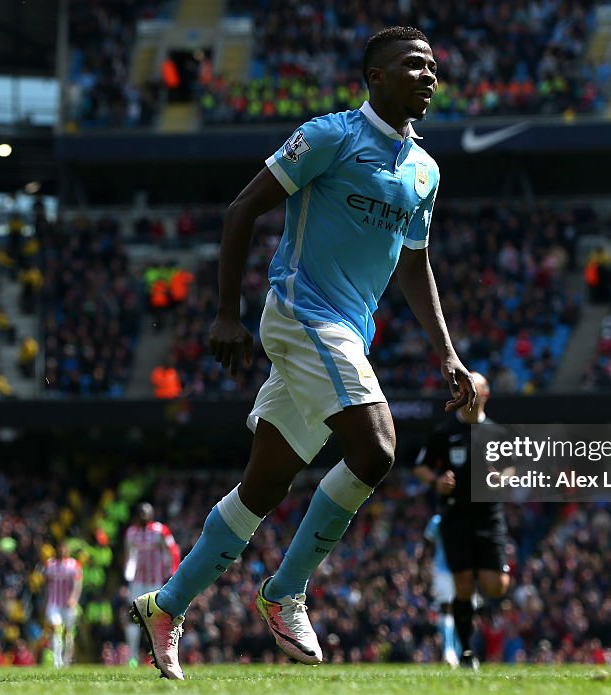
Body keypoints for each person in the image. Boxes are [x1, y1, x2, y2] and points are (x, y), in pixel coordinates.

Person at [131, 26, 476, 681]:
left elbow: (416, 265)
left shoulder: (425, 170)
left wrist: (448, 354)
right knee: (376, 448)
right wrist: (226, 313)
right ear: (375, 76)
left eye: (434, 66)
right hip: (300, 314)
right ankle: (285, 590)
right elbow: (242, 211)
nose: (429, 76)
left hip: (347, 330)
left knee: (265, 483)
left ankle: (165, 605)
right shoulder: (328, 136)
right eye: (412, 65)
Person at [413, 372, 509, 670]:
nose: (469, 395)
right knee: (463, 584)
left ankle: (480, 590)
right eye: (464, 390)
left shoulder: (498, 434)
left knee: (496, 586)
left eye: (474, 390)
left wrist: (499, 479)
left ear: (485, 395)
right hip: (455, 518)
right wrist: (437, 482)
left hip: (488, 517)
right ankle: (467, 652)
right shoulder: (445, 432)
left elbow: (511, 469)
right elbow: (421, 467)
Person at [124, 503, 180, 667]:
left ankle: (157, 655)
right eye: (140, 512)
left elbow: (173, 551)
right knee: (133, 618)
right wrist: (126, 578)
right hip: (136, 582)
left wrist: (172, 574)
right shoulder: (131, 532)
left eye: (146, 513)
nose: (143, 515)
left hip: (155, 582)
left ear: (152, 514)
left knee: (156, 619)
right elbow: (128, 556)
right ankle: (132, 657)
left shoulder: (160, 530)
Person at [423, 513, 460, 668]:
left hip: (462, 571)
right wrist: (420, 569)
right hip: (442, 571)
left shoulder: (466, 518)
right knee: (446, 609)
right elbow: (426, 545)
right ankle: (448, 652)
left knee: (460, 611)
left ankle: (459, 652)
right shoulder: (437, 520)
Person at [43, 541, 83, 668]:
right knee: (56, 629)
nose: (62, 551)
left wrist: (74, 598)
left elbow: (78, 584)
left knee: (69, 632)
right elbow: (45, 584)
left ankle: (67, 660)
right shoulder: (49, 565)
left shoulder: (74, 565)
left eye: (64, 548)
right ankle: (57, 660)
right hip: (54, 603)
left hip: (68, 604)